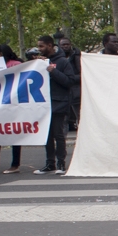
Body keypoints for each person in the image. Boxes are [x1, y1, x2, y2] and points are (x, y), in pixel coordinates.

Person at [32, 36, 77, 174]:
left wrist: (53, 71)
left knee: (58, 134)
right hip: (44, 103)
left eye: (42, 46)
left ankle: (61, 164)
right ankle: (50, 163)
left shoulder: (63, 62)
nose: (39, 49)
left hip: (59, 103)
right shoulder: (41, 62)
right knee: (47, 135)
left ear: (50, 46)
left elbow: (69, 81)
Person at [0, 44, 24, 173]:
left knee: (14, 134)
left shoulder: (15, 64)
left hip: (13, 103)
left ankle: (15, 164)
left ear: (2, 54)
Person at [59, 38, 81, 131]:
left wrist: (70, 79)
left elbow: (83, 73)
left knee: (80, 117)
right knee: (63, 120)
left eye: (67, 44)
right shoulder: (58, 59)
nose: (65, 46)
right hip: (63, 93)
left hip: (76, 92)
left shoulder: (77, 56)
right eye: (63, 45)